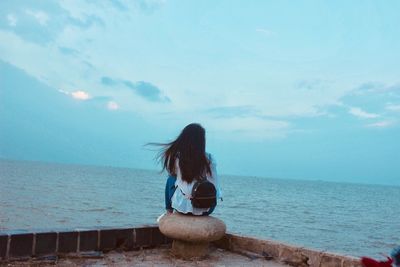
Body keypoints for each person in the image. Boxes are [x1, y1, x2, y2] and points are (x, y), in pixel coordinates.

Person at [154, 123, 222, 216]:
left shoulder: (176, 157)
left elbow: (174, 174)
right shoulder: (209, 158)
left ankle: (169, 211)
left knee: (171, 178)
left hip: (181, 206)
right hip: (206, 208)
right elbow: (215, 185)